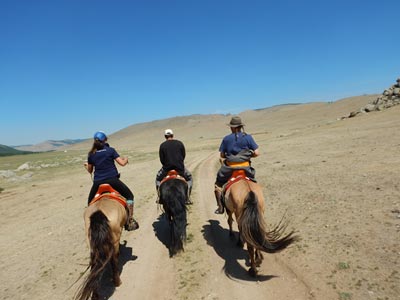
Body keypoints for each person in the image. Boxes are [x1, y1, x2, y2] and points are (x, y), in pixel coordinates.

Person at [84, 131, 139, 231]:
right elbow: (122, 163)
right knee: (130, 196)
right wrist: (126, 159)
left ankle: (90, 224)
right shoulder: (110, 150)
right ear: (104, 140)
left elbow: (90, 170)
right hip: (113, 180)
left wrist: (86, 166)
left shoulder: (91, 154)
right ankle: (130, 221)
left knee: (90, 203)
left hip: (97, 183)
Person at [214, 116, 260, 214]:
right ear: (240, 126)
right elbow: (256, 153)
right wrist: (248, 155)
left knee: (218, 185)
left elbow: (222, 155)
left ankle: (220, 207)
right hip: (246, 168)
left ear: (232, 127)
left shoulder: (226, 139)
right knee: (253, 181)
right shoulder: (248, 137)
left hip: (230, 168)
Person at [155, 129, 193, 203]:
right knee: (189, 178)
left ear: (165, 136)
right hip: (180, 169)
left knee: (158, 179)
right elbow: (183, 155)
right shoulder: (179, 143)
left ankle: (160, 197)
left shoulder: (162, 145)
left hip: (166, 169)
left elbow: (162, 159)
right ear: (173, 135)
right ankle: (187, 197)